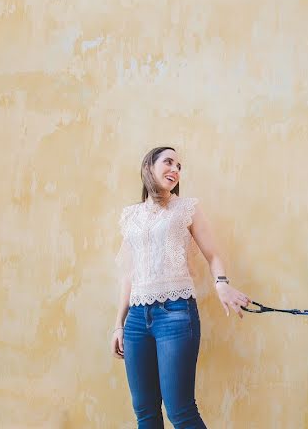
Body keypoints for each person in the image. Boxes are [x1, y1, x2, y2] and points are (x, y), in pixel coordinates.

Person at [111, 146, 250, 428]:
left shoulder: (186, 208)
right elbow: (129, 273)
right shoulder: (130, 216)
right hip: (137, 320)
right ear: (149, 166)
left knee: (180, 410)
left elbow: (213, 255)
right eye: (169, 162)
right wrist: (119, 324)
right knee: (145, 412)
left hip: (176, 313)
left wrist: (222, 284)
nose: (175, 170)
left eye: (179, 166)